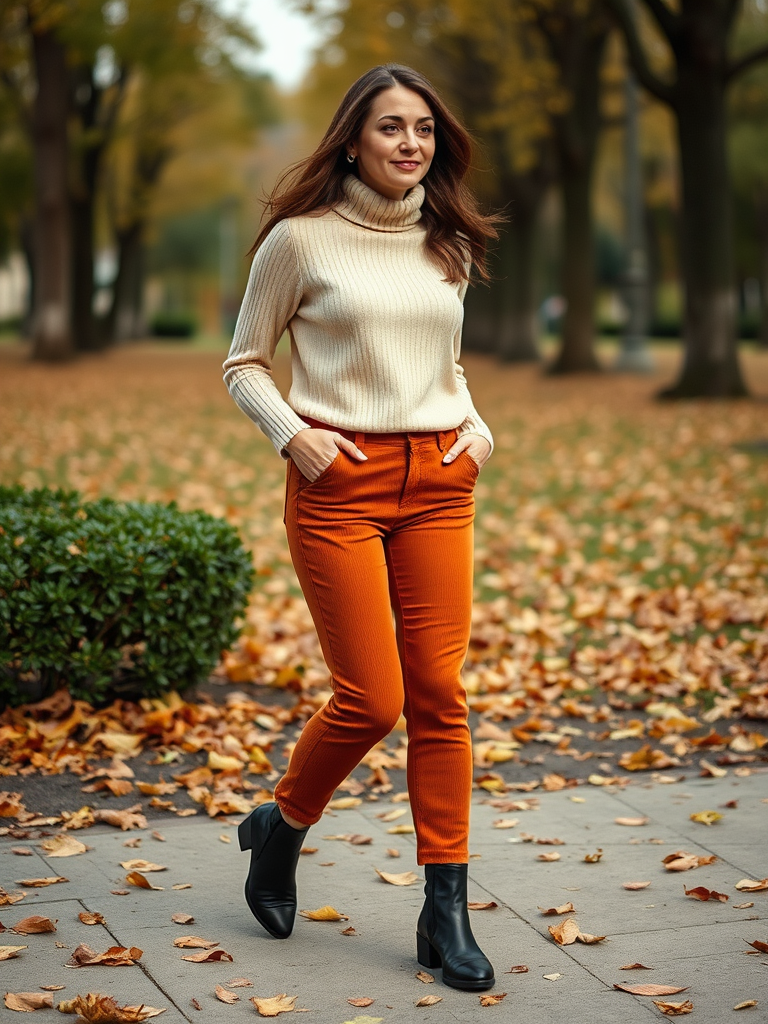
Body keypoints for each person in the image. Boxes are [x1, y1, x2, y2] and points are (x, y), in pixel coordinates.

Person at [222, 63, 498, 992]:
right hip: (340, 481)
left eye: (423, 127)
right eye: (391, 127)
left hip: (440, 482)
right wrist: (296, 437)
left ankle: (444, 908)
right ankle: (280, 826)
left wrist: (476, 428)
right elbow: (245, 363)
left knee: (440, 694)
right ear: (352, 138)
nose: (410, 143)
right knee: (371, 699)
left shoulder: (444, 240)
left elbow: (444, 362)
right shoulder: (299, 242)